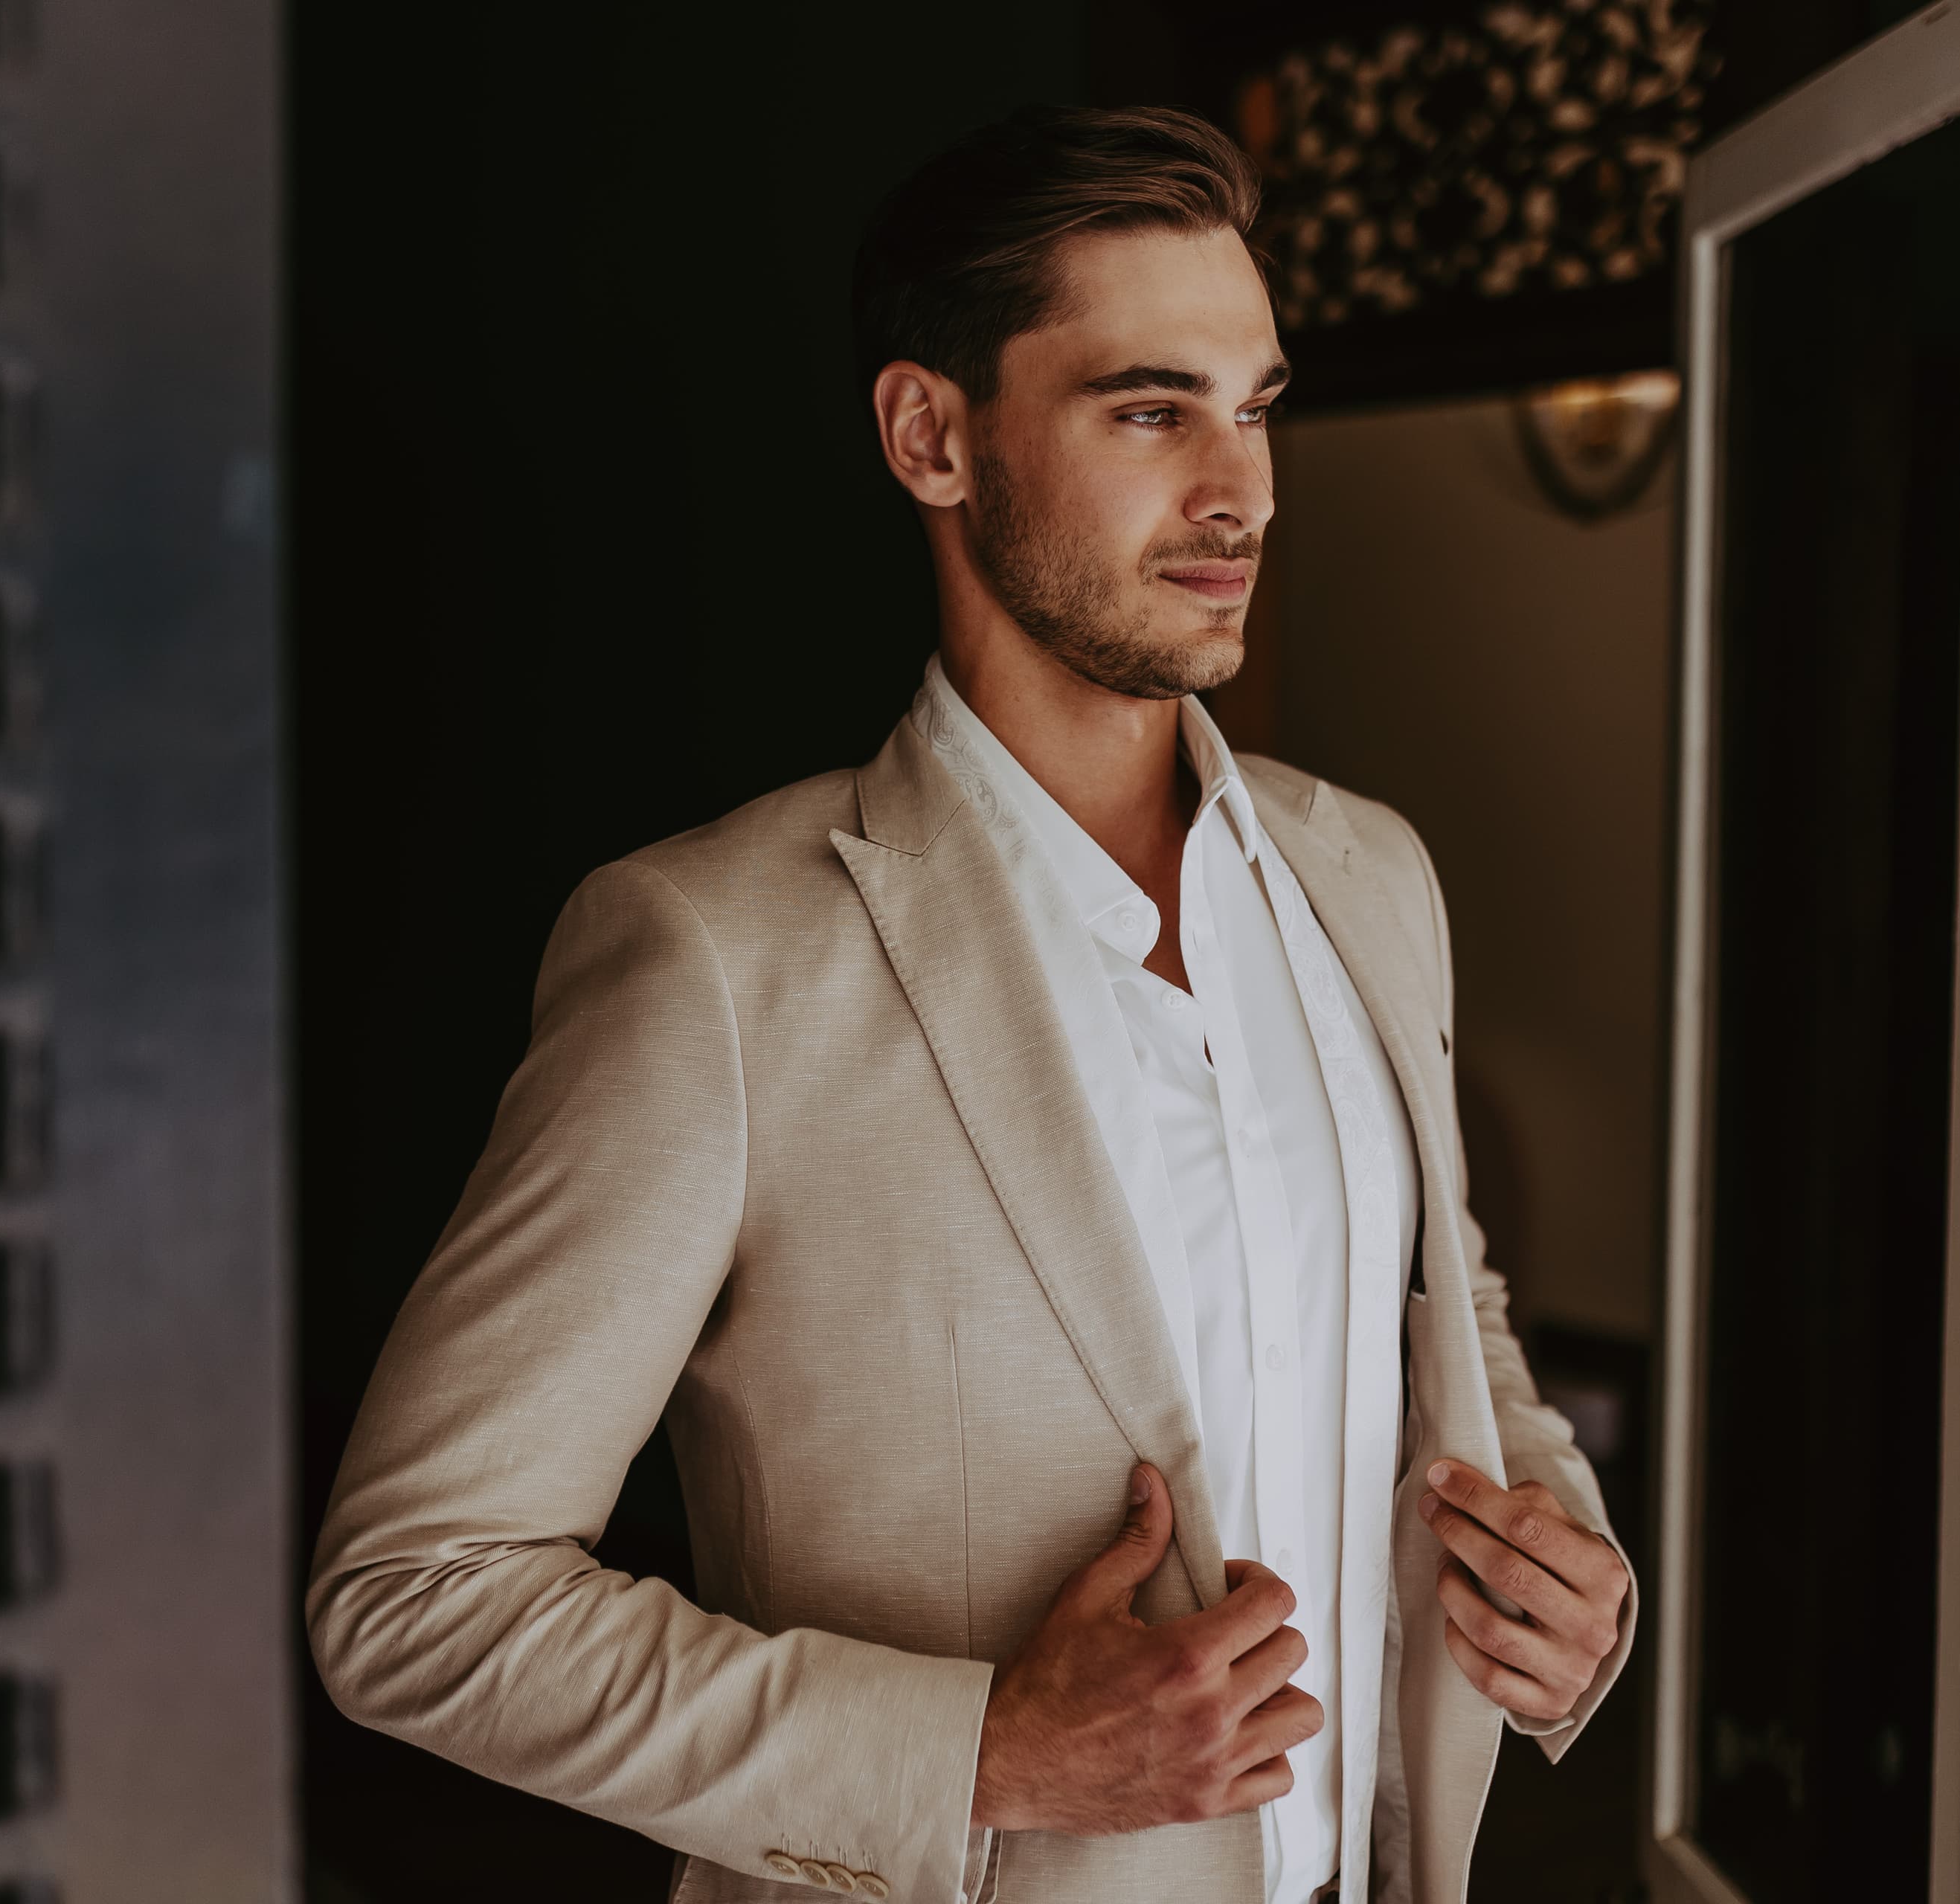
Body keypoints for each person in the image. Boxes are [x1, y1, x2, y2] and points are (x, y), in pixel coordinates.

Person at [306, 105, 1633, 1904]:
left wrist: (1559, 1544)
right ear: (932, 435)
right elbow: (413, 1593)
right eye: (1151, 410)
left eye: (1255, 408)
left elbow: (1443, 1302)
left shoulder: (1371, 876)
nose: (1241, 490)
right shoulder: (711, 957)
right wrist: (982, 1750)